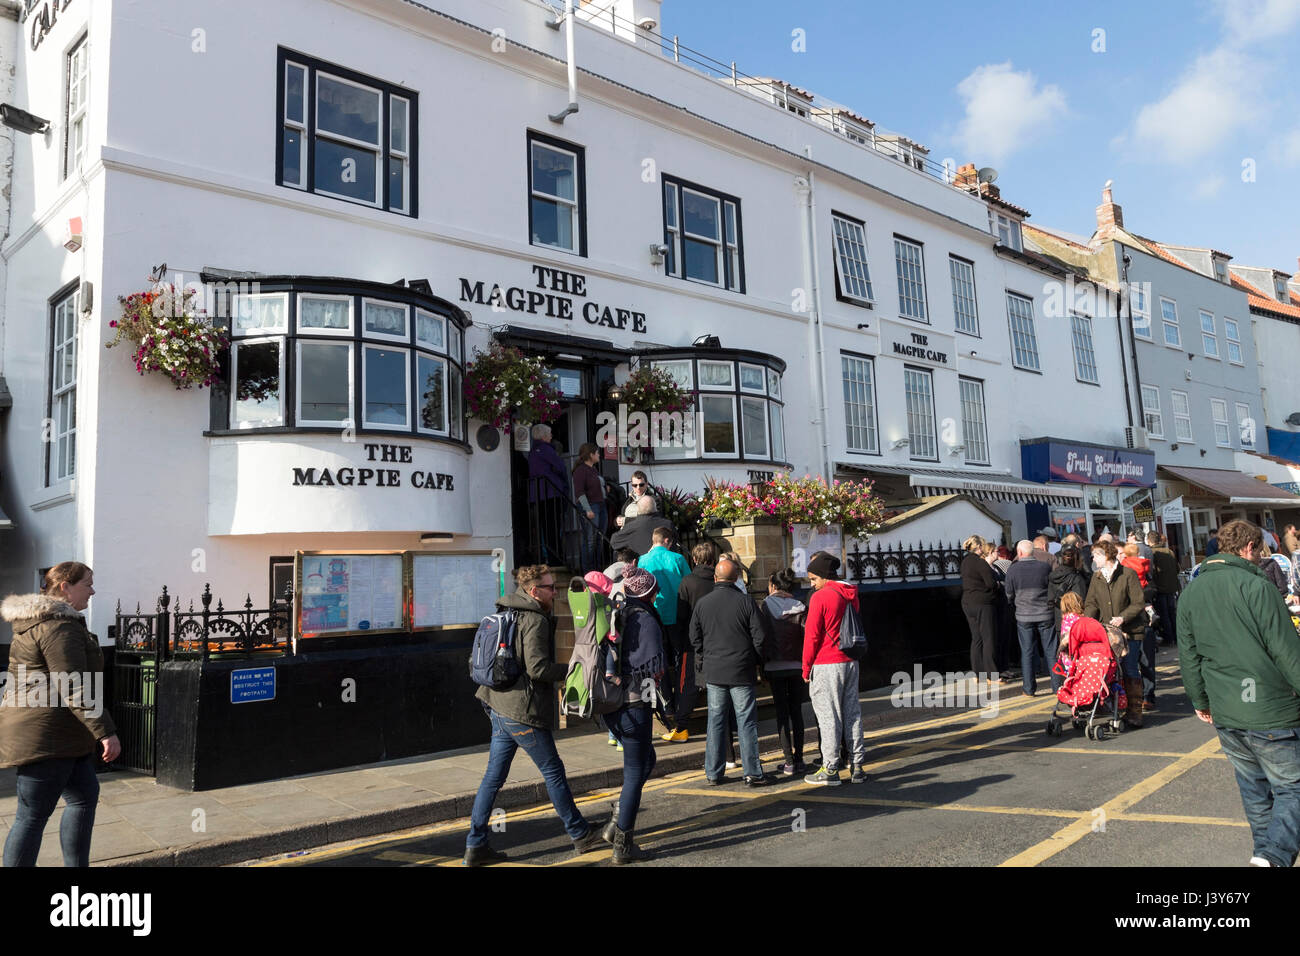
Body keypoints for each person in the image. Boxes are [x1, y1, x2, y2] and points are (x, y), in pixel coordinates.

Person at [1178, 520, 1300, 867]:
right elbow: (1286, 650)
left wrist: (1200, 700)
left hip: (1227, 710)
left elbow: (1190, 655)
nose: (1262, 557)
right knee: (1293, 788)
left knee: (1254, 791)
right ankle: (1272, 856)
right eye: (1260, 551)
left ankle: (1264, 857)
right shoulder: (1257, 587)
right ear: (1248, 548)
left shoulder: (1191, 592)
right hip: (1271, 709)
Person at [464, 565, 603, 866]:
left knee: (493, 778)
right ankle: (580, 834)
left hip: (496, 704)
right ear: (533, 591)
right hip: (521, 711)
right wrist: (573, 671)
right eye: (550, 588)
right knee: (553, 772)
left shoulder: (506, 610)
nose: (556, 592)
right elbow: (538, 668)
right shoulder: (534, 620)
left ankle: (475, 846)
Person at [1, 563, 121, 867]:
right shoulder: (58, 627)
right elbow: (75, 683)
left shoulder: (40, 623)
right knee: (31, 816)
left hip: (62, 732)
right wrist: (105, 731)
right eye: (87, 584)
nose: (93, 591)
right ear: (65, 587)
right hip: (48, 735)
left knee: (83, 797)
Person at [600, 567, 662, 863]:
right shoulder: (643, 618)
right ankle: (623, 844)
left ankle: (617, 822)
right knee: (636, 771)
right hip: (634, 703)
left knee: (647, 760)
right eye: (654, 590)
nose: (656, 595)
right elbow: (652, 666)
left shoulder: (616, 611)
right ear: (646, 592)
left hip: (610, 703)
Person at [689, 558, 769, 786]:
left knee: (715, 720)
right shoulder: (746, 602)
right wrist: (753, 659)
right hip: (742, 671)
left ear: (715, 578)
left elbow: (694, 638)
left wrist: (706, 655)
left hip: (714, 671)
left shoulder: (703, 604)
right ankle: (752, 772)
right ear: (736, 579)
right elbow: (760, 637)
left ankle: (714, 772)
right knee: (746, 721)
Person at [802, 551, 869, 786]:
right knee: (852, 713)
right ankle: (857, 766)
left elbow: (811, 636)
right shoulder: (850, 594)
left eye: (813, 579)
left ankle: (830, 768)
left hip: (826, 662)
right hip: (850, 660)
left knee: (829, 717)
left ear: (823, 576)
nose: (812, 584)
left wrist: (805, 667)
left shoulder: (821, 597)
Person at [1084, 539, 1147, 729]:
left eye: (1095, 555)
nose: (1093, 558)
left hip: (1129, 632)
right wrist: (1087, 623)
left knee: (1129, 669)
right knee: (1109, 671)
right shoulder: (1096, 577)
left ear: (1106, 556)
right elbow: (1091, 603)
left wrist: (1123, 617)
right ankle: (1113, 706)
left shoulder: (1128, 574)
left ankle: (1135, 712)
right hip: (1108, 633)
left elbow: (1138, 602)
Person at [664, 541, 719, 742]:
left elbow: (681, 615)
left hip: (691, 642)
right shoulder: (718, 581)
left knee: (687, 685)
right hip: (716, 641)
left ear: (694, 559)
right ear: (712, 559)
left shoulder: (687, 581)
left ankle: (682, 727)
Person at [760, 569, 808, 776]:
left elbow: (761, 636)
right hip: (797, 665)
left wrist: (761, 666)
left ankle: (788, 761)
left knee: (782, 714)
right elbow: (806, 636)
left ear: (773, 585)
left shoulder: (766, 605)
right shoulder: (801, 606)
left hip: (774, 666)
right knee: (796, 711)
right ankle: (799, 759)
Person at [1005, 540, 1058, 696]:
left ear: (1020, 553)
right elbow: (1052, 589)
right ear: (1033, 552)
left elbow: (1008, 594)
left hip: (1023, 616)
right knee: (1051, 651)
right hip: (1045, 614)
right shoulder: (1045, 567)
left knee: (1027, 652)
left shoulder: (1013, 570)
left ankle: (1029, 689)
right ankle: (1057, 687)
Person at [960, 535, 1000, 688]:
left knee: (976, 639)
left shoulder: (965, 562)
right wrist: (997, 585)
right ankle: (992, 675)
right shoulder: (980, 563)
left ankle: (978, 674)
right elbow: (990, 583)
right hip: (983, 603)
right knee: (988, 638)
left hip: (967, 602)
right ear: (979, 547)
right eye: (983, 545)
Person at [527, 424, 569, 565]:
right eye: (550, 433)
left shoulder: (533, 451)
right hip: (551, 494)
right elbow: (561, 467)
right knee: (554, 528)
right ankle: (556, 559)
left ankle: (551, 557)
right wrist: (563, 483)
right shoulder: (546, 449)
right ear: (544, 436)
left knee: (546, 529)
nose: (551, 436)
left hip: (538, 495)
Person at [571, 442, 607, 574]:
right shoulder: (580, 470)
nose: (599, 455)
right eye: (597, 453)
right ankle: (588, 572)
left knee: (599, 539)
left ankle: (597, 570)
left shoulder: (593, 469)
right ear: (591, 455)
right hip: (591, 506)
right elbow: (579, 492)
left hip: (601, 505)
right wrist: (587, 509)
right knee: (590, 540)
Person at [1047, 546, 1089, 652]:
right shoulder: (1077, 579)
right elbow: (1080, 601)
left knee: (1063, 652)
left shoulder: (1053, 576)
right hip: (1074, 621)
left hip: (1058, 618)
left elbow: (1050, 600)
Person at [608, 496, 673, 557]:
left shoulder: (632, 527)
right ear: (655, 507)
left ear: (638, 509)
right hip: (668, 565)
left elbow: (614, 542)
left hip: (642, 566)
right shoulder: (668, 524)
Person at [1149, 532, 1181, 647]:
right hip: (1171, 587)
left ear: (1149, 541)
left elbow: (1152, 572)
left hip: (1160, 588)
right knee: (1172, 612)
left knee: (1164, 613)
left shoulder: (1153, 553)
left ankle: (1169, 638)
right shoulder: (1169, 551)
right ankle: (1176, 636)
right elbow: (1177, 568)